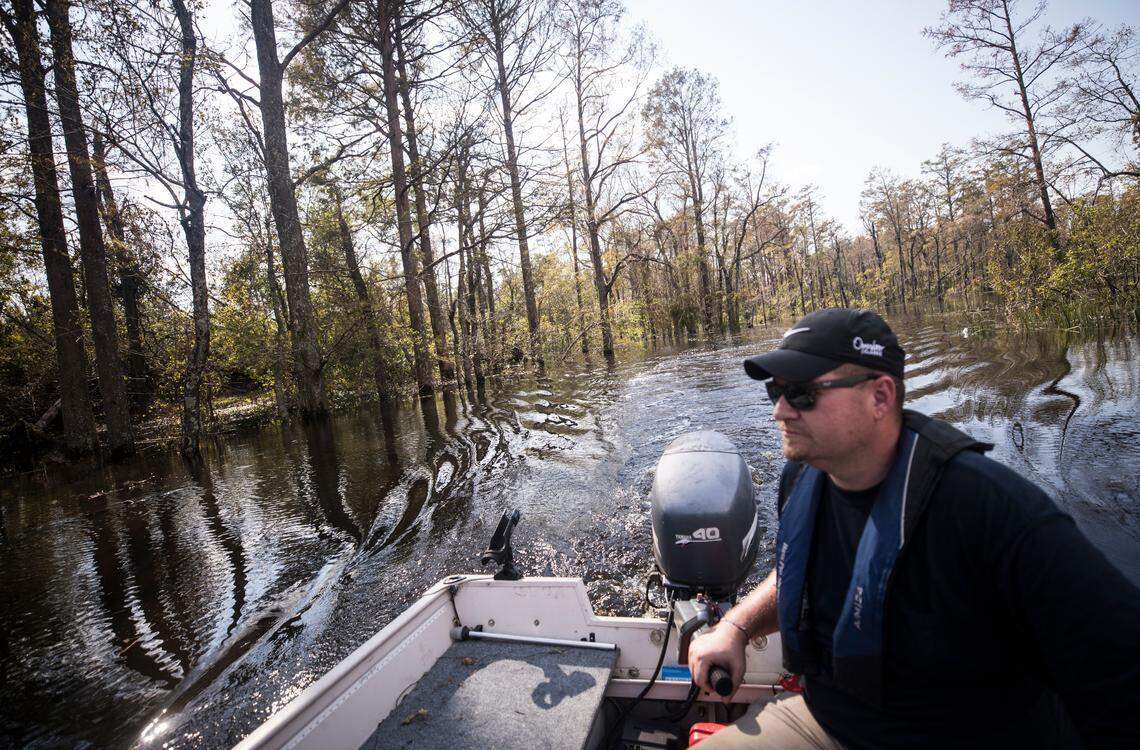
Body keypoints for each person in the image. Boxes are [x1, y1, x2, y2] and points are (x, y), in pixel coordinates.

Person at [688, 308, 1140, 750]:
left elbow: (1119, 675)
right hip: (829, 723)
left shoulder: (992, 511)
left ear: (880, 397)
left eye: (803, 393)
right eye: (776, 391)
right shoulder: (803, 476)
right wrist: (736, 627)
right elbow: (798, 573)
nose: (780, 412)